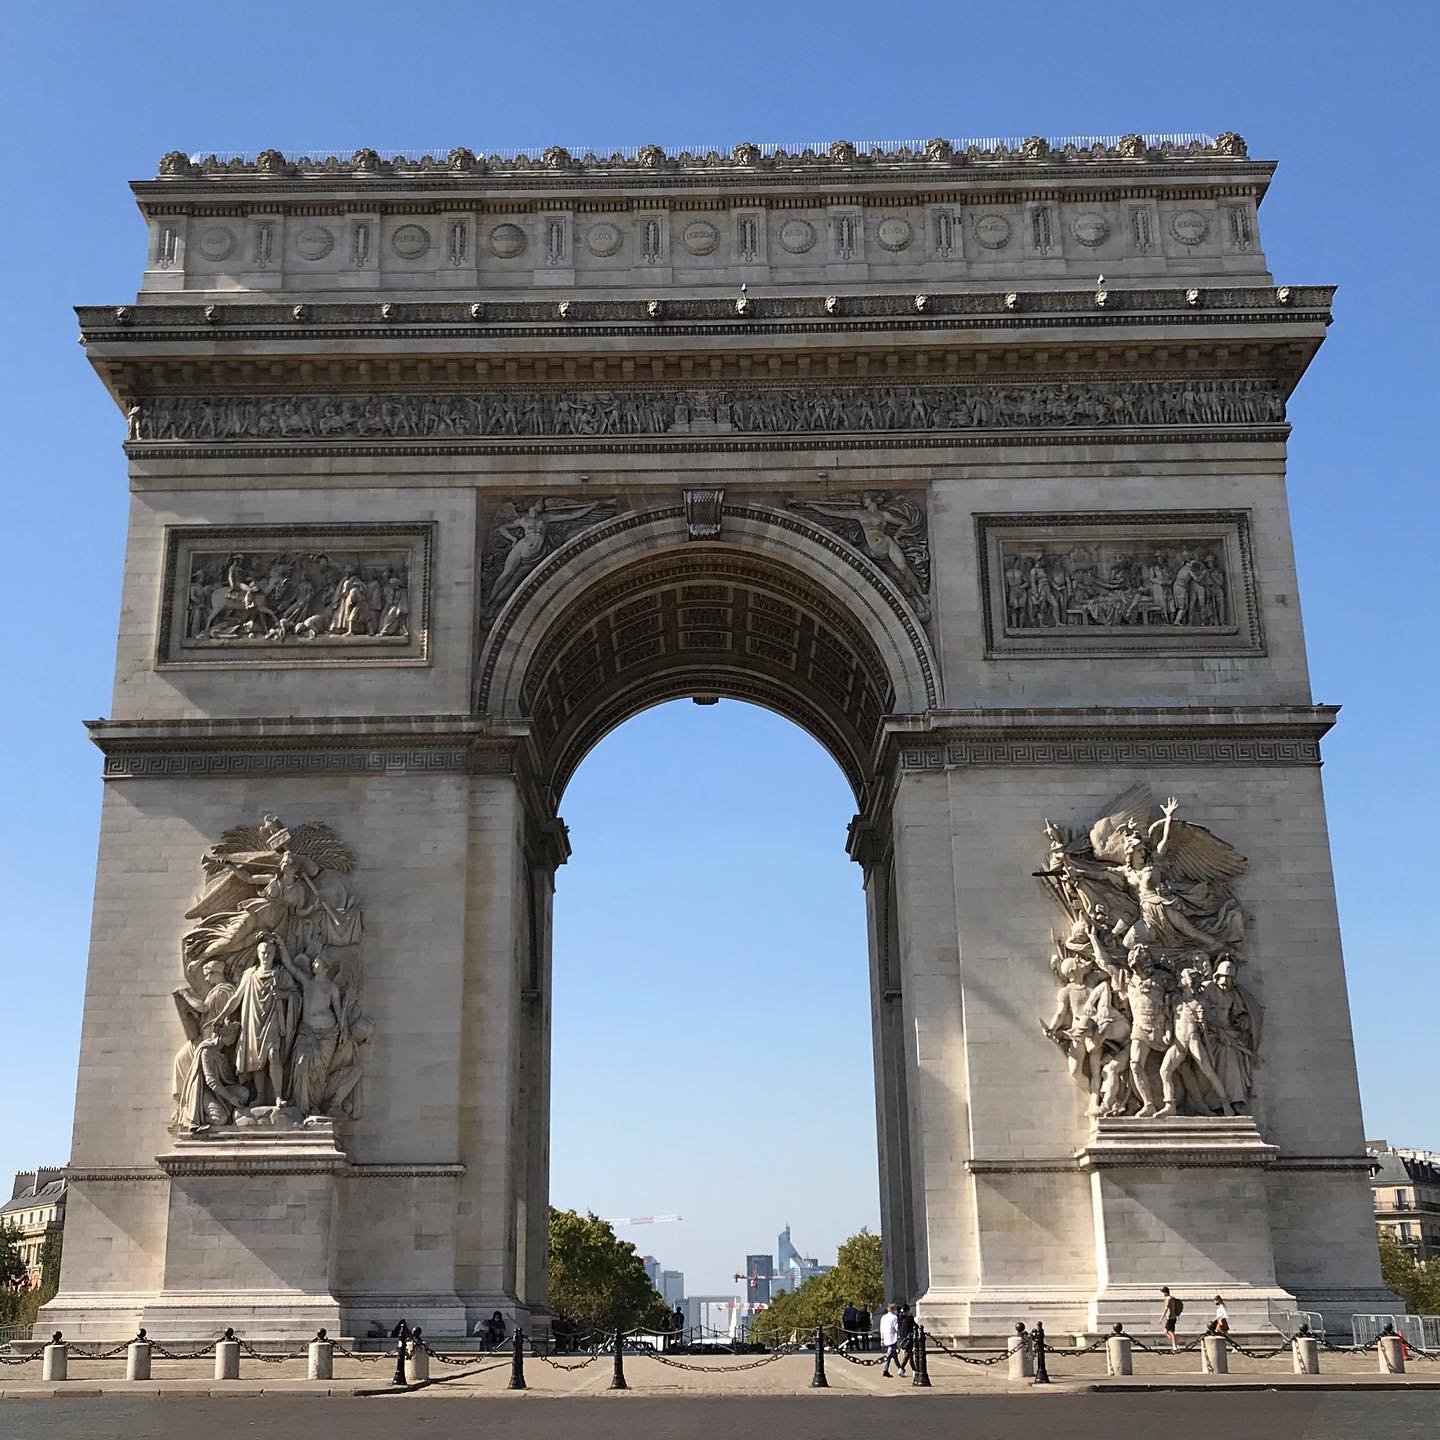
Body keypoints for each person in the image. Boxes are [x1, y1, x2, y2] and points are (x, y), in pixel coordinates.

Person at [880, 1302, 906, 1377]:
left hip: (885, 1337)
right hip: (892, 1338)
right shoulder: (894, 1317)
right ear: (894, 1309)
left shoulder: (883, 1317)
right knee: (889, 1355)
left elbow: (881, 1328)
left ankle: (900, 1368)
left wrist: (882, 1338)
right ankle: (885, 1370)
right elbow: (896, 1328)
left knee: (894, 1355)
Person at [1160, 1286, 1183, 1351]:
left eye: (1163, 1292)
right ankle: (1175, 1344)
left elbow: (1166, 1309)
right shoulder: (1172, 1298)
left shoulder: (1168, 1299)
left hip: (1171, 1318)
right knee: (1167, 1331)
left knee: (1170, 1332)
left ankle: (1174, 1345)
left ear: (1165, 1292)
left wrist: (1161, 1318)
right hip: (1172, 1317)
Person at [897, 1303, 916, 1373]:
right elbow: (915, 1326)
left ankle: (914, 1370)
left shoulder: (899, 1318)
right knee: (908, 1354)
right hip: (908, 1339)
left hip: (902, 1339)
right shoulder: (909, 1318)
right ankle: (901, 1369)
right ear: (907, 1310)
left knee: (909, 1355)